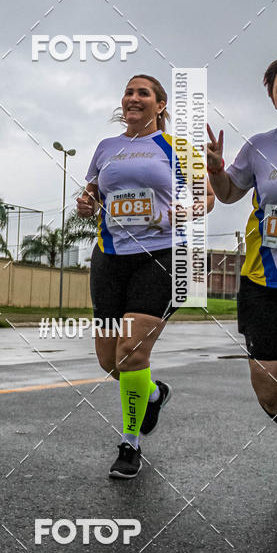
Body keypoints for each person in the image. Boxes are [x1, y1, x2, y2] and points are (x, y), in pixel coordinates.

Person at [76, 75, 214, 478]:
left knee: (133, 353)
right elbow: (91, 195)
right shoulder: (106, 148)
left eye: (143, 93)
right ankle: (153, 394)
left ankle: (129, 444)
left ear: (160, 105)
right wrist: (86, 204)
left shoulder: (176, 148)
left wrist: (191, 209)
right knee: (109, 361)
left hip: (162, 256)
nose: (133, 98)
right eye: (129, 91)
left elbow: (207, 195)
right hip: (110, 258)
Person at [207, 56, 277, 426]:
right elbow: (229, 193)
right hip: (263, 279)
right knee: (268, 386)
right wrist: (217, 171)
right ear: (273, 98)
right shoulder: (259, 147)